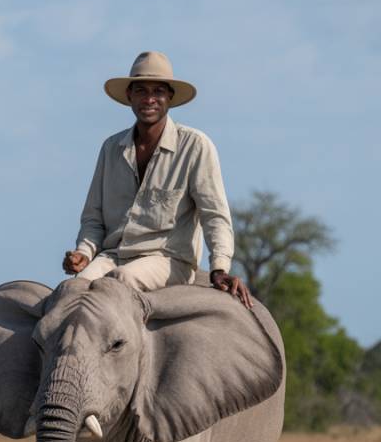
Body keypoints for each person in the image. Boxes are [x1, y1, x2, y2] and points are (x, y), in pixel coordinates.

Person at [62, 51, 252, 308]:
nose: (149, 99)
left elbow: (215, 215)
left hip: (168, 260)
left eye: (158, 91)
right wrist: (83, 253)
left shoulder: (195, 146)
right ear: (129, 96)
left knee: (120, 280)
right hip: (113, 256)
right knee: (71, 290)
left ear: (169, 97)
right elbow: (93, 218)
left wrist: (219, 266)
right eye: (141, 90)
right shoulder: (111, 148)